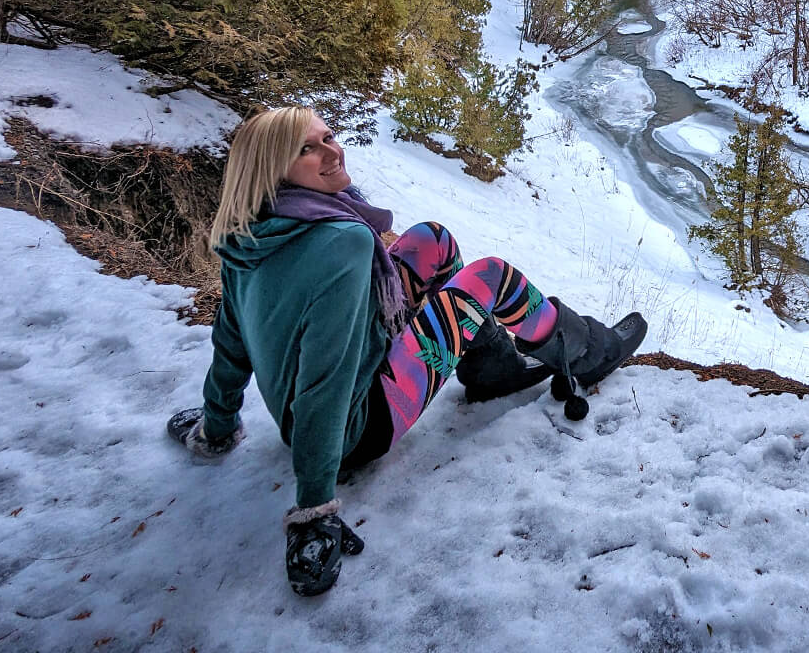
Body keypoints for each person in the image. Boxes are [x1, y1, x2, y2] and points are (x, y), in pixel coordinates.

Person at [166, 107, 646, 596]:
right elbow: (324, 378)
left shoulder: (247, 236)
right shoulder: (342, 241)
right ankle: (587, 351)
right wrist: (313, 509)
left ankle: (491, 368)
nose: (332, 151)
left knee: (431, 241)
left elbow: (230, 346)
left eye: (327, 136)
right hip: (357, 427)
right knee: (492, 276)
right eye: (306, 149)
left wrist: (217, 428)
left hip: (309, 418)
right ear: (271, 169)